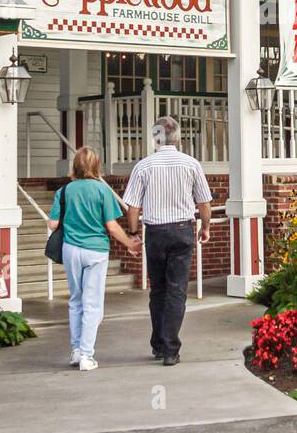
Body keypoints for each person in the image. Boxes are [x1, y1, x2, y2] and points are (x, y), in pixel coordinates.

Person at [123, 116, 212, 366]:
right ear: (179, 138)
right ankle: (170, 348)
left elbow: (133, 205)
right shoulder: (191, 164)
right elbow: (204, 203)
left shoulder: (144, 166)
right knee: (177, 290)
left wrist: (133, 233)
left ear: (156, 138)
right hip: (182, 230)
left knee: (158, 290)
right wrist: (205, 227)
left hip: (155, 232)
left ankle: (160, 344)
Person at [48, 146, 140, 372]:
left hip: (71, 249)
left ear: (75, 166)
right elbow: (111, 226)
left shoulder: (65, 190)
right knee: (92, 304)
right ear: (96, 166)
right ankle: (87, 355)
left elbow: (52, 224)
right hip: (96, 251)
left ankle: (76, 350)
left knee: (75, 300)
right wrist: (130, 244)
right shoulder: (102, 190)